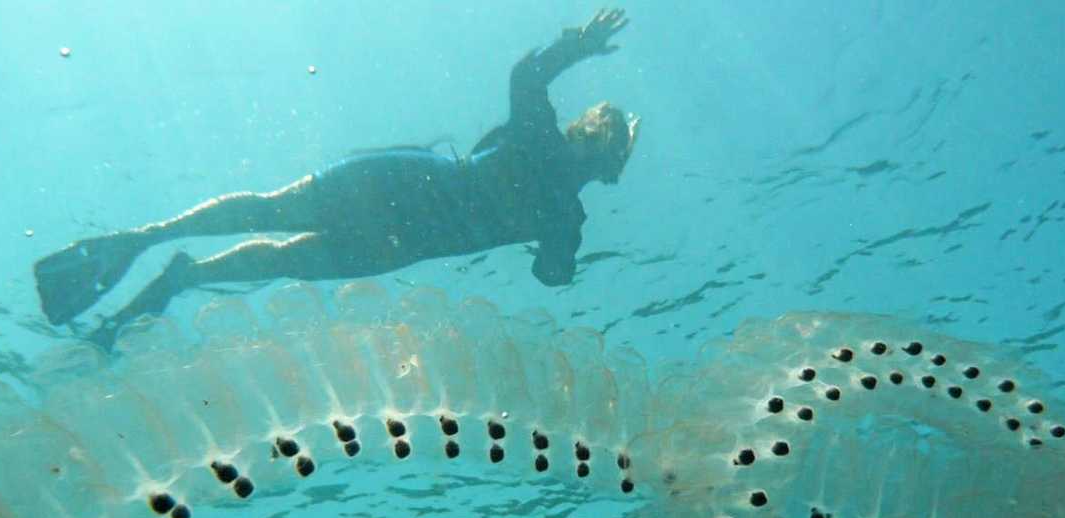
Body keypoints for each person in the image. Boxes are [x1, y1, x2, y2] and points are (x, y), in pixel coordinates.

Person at [34, 8, 639, 344]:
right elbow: (526, 78)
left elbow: (551, 273)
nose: (594, 146)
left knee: (284, 254)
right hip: (399, 191)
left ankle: (180, 273)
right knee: (273, 212)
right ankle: (145, 243)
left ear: (609, 166)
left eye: (605, 143)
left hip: (403, 235)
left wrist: (559, 256)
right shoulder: (545, 152)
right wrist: (578, 45)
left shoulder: (565, 212)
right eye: (598, 135)